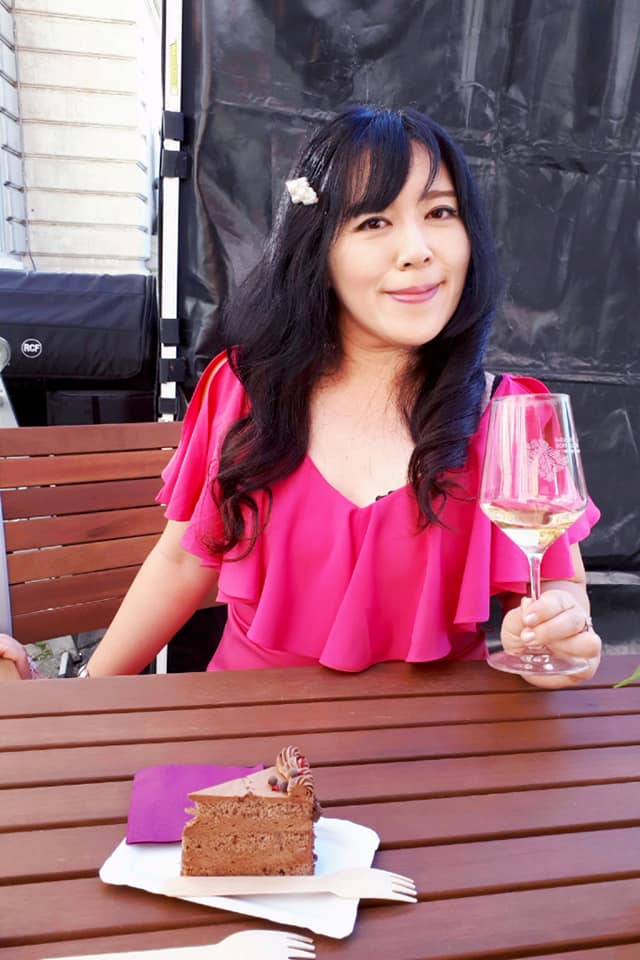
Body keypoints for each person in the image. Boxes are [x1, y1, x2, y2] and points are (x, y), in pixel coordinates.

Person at [0, 105, 601, 688]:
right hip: (252, 728)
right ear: (319, 249)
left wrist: (562, 634)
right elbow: (183, 561)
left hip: (437, 733)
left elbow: (558, 585)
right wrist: (79, 691)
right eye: (373, 222)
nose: (418, 250)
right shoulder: (243, 392)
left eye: (440, 212)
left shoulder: (510, 416)